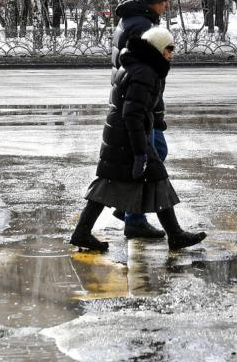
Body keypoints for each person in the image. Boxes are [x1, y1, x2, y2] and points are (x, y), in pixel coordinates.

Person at [69, 25, 206, 253]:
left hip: (121, 135)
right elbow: (132, 115)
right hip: (128, 138)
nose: (171, 54)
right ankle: (175, 235)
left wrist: (154, 121)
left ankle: (82, 231)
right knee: (147, 179)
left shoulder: (137, 66)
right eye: (168, 49)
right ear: (156, 48)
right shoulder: (145, 72)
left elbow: (138, 108)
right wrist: (141, 152)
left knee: (116, 182)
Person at [109, 0, 172, 239]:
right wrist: (152, 110)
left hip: (134, 100)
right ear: (153, 1)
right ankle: (133, 216)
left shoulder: (133, 18)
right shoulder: (141, 26)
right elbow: (145, 70)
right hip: (139, 103)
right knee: (151, 156)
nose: (166, 5)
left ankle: (128, 208)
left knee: (150, 154)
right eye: (164, 1)